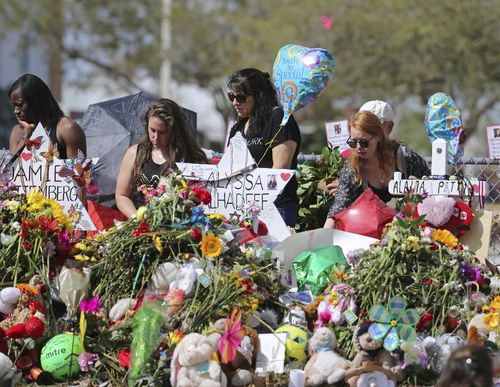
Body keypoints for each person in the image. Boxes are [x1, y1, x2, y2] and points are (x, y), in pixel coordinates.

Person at [323, 110, 429, 228]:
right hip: (372, 232)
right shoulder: (352, 168)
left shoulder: (404, 156)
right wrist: (323, 237)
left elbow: (430, 185)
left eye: (364, 142)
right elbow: (338, 207)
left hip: (409, 229)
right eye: (353, 143)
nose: (358, 148)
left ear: (378, 135)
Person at [226, 68, 301, 227]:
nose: (235, 102)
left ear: (259, 96)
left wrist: (257, 202)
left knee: (273, 253)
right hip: (241, 209)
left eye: (240, 97)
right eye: (232, 96)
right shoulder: (238, 127)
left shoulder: (279, 117)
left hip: (275, 207)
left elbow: (280, 168)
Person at [115, 98, 207, 218]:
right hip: (140, 227)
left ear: (174, 132)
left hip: (177, 228)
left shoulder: (191, 157)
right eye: (152, 130)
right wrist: (136, 218)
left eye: (162, 132)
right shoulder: (135, 153)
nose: (156, 137)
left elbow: (201, 199)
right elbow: (121, 195)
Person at [319, 100, 396, 195]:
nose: (370, 129)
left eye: (375, 125)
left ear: (390, 127)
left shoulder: (401, 155)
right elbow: (319, 181)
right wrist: (343, 187)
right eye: (365, 124)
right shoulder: (346, 155)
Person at [9, 74, 86, 158]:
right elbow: (10, 169)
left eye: (20, 104)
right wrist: (26, 134)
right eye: (14, 106)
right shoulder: (17, 131)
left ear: (36, 101)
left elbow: (78, 170)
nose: (15, 111)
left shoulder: (67, 129)